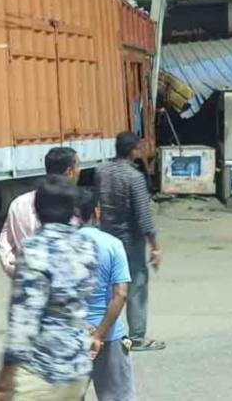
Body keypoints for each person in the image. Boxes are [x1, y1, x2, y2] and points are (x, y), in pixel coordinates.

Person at [0, 175, 98, 400]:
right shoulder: (86, 246)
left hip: (41, 371)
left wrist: (4, 377)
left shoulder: (35, 249)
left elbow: (24, 319)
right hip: (78, 369)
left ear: (37, 209)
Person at [94, 132, 164, 351]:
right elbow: (143, 216)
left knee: (107, 286)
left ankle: (101, 332)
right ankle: (136, 337)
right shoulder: (135, 178)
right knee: (136, 285)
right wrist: (155, 247)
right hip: (129, 240)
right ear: (134, 150)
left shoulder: (101, 171)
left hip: (106, 235)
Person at [76, 189, 136, 401]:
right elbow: (120, 295)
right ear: (96, 211)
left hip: (70, 337)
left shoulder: (59, 247)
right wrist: (99, 335)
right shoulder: (112, 245)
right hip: (109, 336)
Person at [0, 147, 81, 278]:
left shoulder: (18, 203)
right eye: (78, 166)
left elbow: (5, 245)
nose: (79, 171)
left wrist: (18, 272)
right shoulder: (76, 205)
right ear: (69, 171)